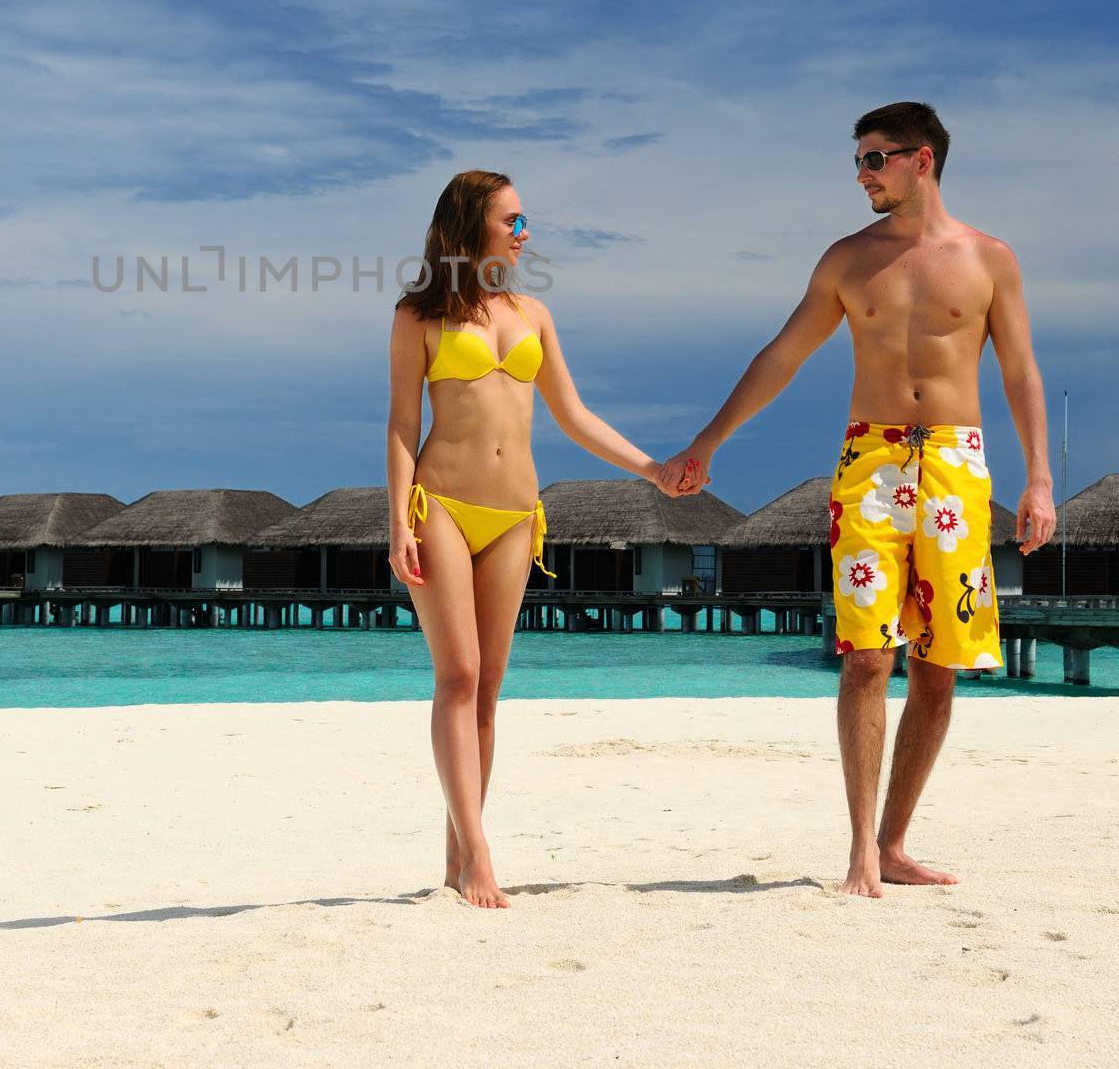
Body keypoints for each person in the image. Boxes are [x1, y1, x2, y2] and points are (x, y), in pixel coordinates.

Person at [659, 101, 1056, 897]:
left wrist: (1039, 478)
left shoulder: (990, 259)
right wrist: (708, 441)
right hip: (869, 465)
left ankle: (895, 842)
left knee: (938, 668)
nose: (862, 174)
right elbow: (784, 355)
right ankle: (858, 853)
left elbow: (1019, 372)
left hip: (955, 463)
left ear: (923, 160)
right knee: (867, 656)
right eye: (858, 161)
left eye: (875, 159)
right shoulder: (846, 260)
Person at [388, 169, 693, 909]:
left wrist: (652, 469)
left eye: (525, 222)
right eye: (513, 221)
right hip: (446, 508)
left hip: (518, 515)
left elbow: (574, 415)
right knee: (457, 677)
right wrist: (398, 519)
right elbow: (403, 423)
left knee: (488, 691)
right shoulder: (418, 315)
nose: (526, 233)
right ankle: (482, 855)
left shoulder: (535, 314)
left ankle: (461, 852)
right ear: (471, 225)